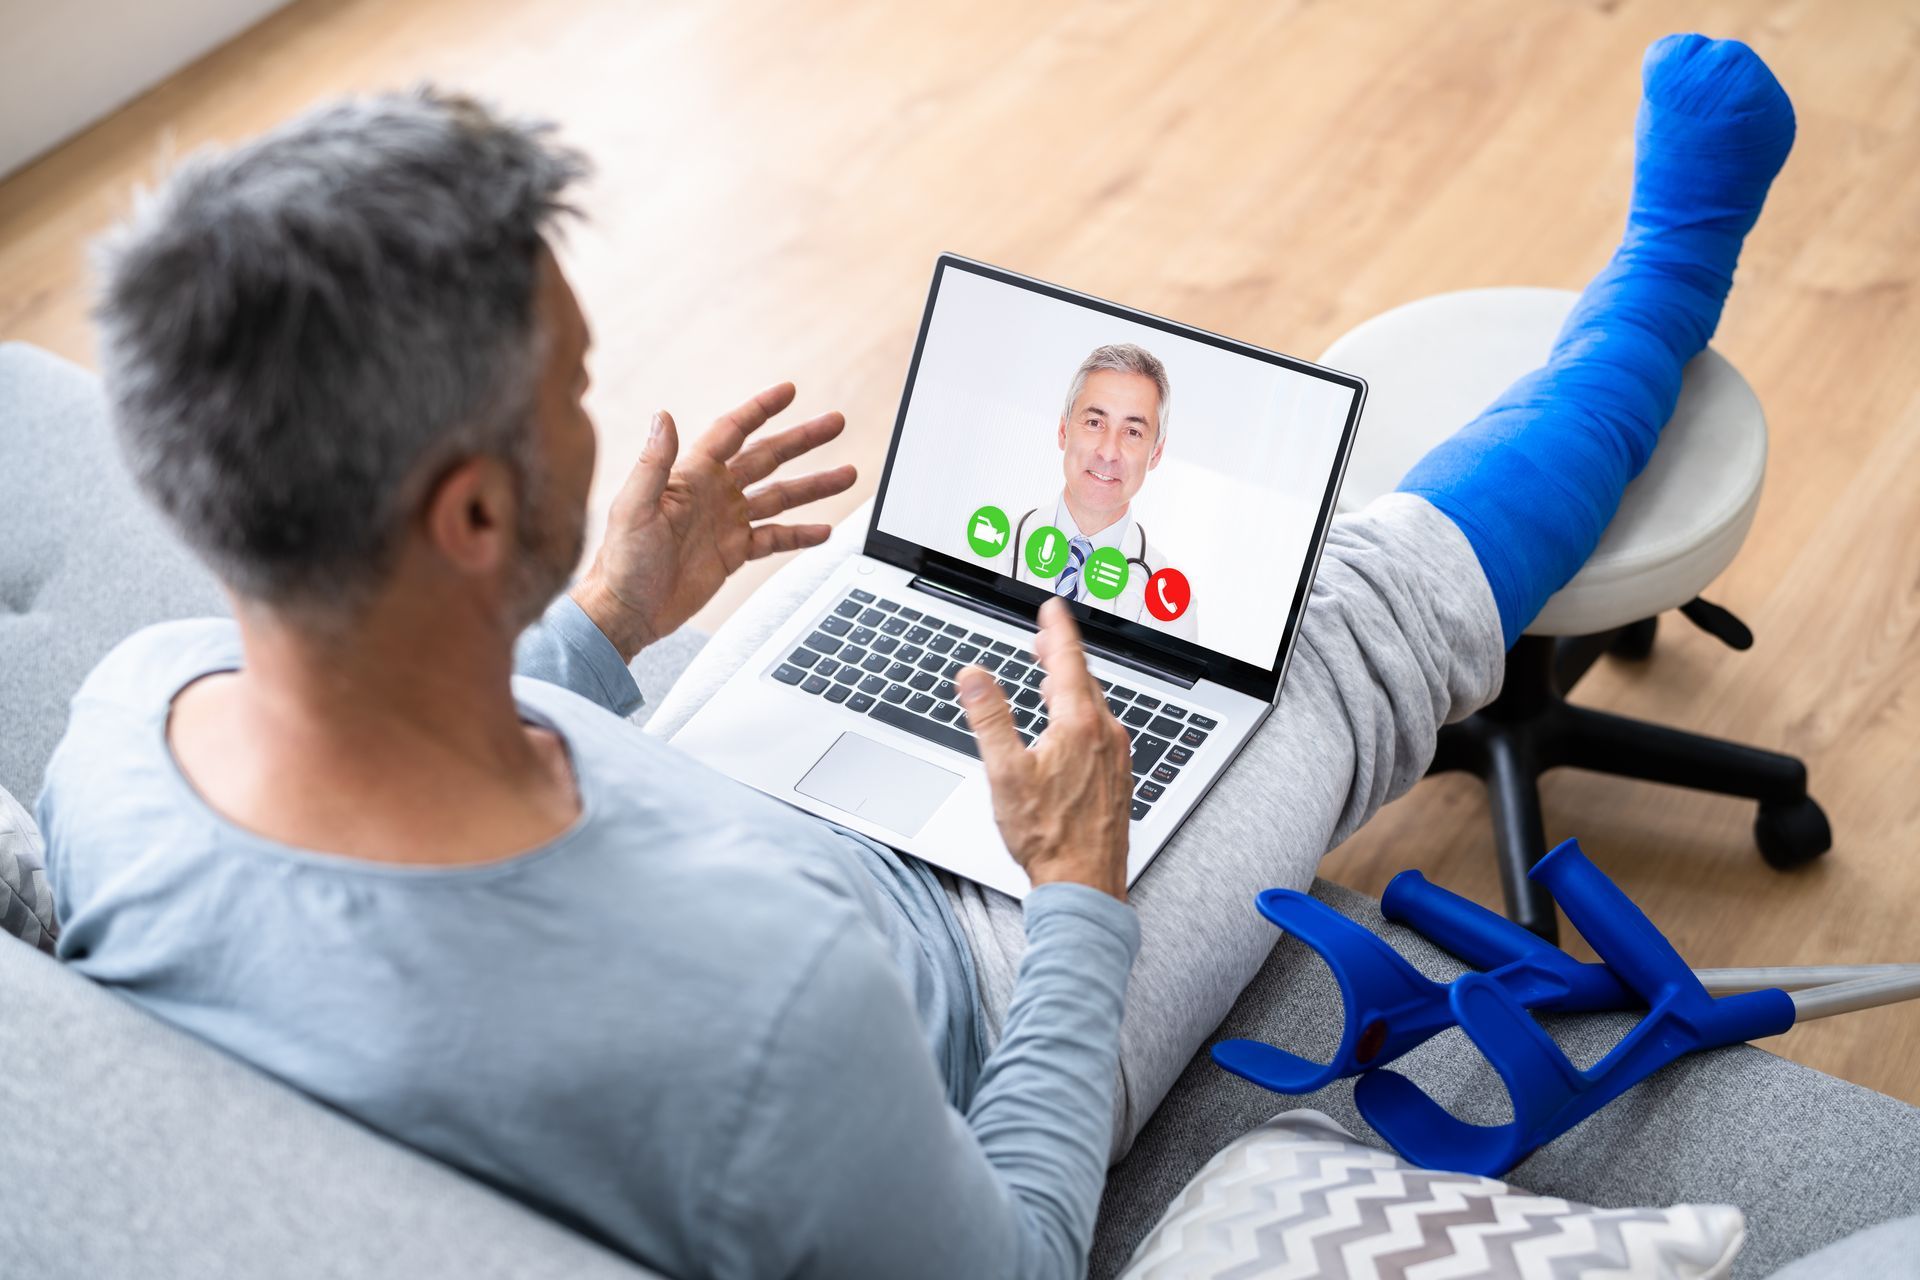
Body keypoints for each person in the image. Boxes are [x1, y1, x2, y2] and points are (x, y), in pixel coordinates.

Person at [41, 33, 1794, 1280]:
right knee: (1343, 624)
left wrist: (603, 625)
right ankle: (1659, 283)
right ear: (471, 519)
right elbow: (1017, 1255)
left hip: (684, 812)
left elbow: (407, 765)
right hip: (944, 962)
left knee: (890, 592)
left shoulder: (137, 724)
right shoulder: (772, 1017)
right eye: (567, 389)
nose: (592, 409)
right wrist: (1079, 887)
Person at [988, 342, 1200, 640]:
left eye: (1133, 432)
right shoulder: (991, 544)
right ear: (1064, 430)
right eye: (1094, 422)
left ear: (1155, 453)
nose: (1109, 452)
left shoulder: (1171, 600)